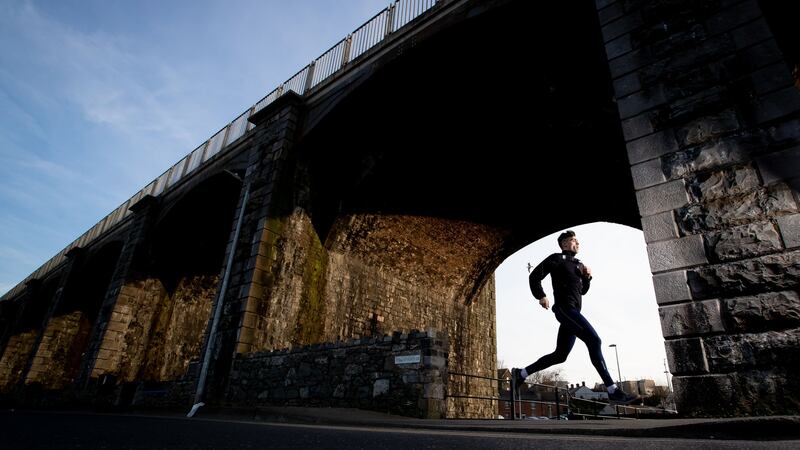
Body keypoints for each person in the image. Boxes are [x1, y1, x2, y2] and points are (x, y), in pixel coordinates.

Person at [512, 230, 641, 405]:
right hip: (565, 310)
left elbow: (582, 292)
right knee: (594, 341)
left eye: (577, 241)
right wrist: (541, 295)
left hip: (574, 313)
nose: (577, 243)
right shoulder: (556, 258)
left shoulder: (578, 264)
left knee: (560, 355)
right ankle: (612, 390)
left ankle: (521, 373)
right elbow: (534, 276)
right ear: (564, 244)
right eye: (573, 241)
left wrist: (587, 278)